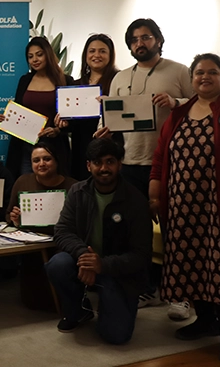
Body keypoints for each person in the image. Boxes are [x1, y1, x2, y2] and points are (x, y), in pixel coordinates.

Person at [97, 19, 192, 314]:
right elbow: (110, 114)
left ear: (158, 40)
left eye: (146, 37)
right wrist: (104, 129)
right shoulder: (120, 77)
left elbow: (199, 104)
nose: (140, 43)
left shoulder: (179, 71)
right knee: (136, 233)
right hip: (130, 163)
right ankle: (147, 288)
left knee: (176, 230)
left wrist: (175, 101)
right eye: (135, 39)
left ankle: (181, 295)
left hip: (170, 164)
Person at [150, 53, 220, 363]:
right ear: (191, 79)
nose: (205, 77)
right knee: (192, 265)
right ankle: (205, 321)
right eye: (199, 72)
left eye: (213, 72)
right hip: (183, 208)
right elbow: (161, 155)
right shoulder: (180, 113)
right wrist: (154, 193)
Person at [46, 138, 152, 344]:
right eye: (97, 162)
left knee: (116, 336)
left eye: (110, 162)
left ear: (120, 164)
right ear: (89, 165)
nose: (104, 168)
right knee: (58, 264)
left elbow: (141, 255)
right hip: (84, 262)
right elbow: (62, 231)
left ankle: (110, 303)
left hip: (118, 273)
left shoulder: (136, 201)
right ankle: (79, 310)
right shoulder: (77, 192)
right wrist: (85, 256)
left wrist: (102, 265)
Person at [0, 36, 74, 180]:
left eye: (39, 54)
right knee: (27, 186)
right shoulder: (25, 80)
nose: (35, 60)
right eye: (30, 57)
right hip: (26, 147)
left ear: (48, 55)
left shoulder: (65, 80)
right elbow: (18, 111)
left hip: (54, 147)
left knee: (54, 187)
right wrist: (4, 121)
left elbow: (72, 118)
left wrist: (57, 130)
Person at [55, 34, 119, 180]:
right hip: (81, 149)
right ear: (85, 55)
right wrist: (63, 124)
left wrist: (112, 105)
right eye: (92, 51)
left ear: (110, 55)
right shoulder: (75, 84)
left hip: (110, 148)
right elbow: (72, 124)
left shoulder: (119, 81)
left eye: (102, 51)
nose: (97, 55)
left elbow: (127, 114)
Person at [6, 142, 78, 228]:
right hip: (28, 235)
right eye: (36, 160)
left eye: (47, 159)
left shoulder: (74, 187)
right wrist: (16, 220)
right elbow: (8, 215)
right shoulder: (22, 181)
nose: (41, 164)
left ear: (56, 161)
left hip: (62, 235)